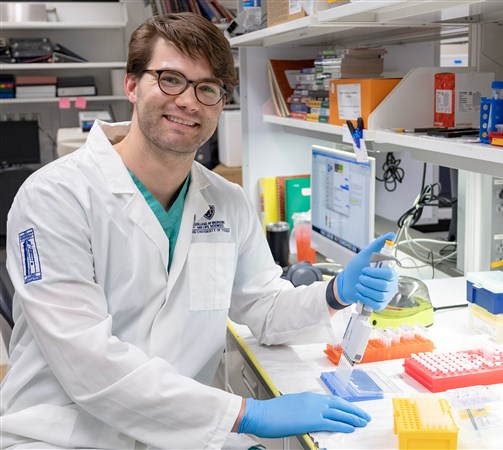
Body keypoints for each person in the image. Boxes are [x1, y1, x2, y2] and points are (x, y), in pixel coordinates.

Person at [0, 12, 398, 449]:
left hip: (179, 431)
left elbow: (263, 308)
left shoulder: (227, 201)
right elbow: (87, 362)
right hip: (64, 435)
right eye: (170, 79)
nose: (189, 102)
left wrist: (336, 292)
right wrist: (249, 413)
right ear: (132, 85)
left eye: (207, 88)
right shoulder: (55, 197)